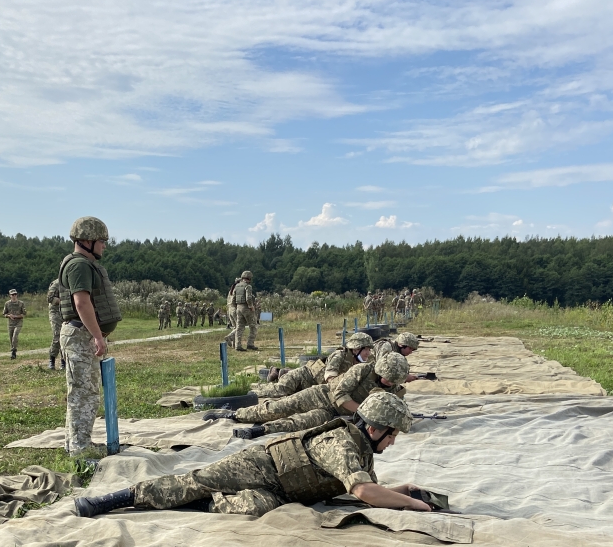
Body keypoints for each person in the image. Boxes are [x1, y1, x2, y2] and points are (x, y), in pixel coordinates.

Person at [73, 392, 446, 518]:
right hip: (261, 463)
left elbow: (362, 489)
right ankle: (114, 500)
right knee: (194, 482)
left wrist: (404, 490)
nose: (393, 442)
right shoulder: (343, 443)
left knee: (252, 508)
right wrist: (414, 506)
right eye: (393, 434)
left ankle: (187, 506)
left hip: (282, 490)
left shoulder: (362, 453)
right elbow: (363, 493)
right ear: (375, 427)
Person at [209, 352, 410, 439]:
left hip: (333, 415)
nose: (389, 384)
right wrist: (363, 412)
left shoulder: (394, 390)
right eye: (387, 379)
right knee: (278, 407)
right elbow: (340, 393)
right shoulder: (362, 371)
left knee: (297, 424)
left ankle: (260, 431)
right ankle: (234, 415)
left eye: (394, 381)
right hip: (322, 396)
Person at [58, 216, 122, 456]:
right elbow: (82, 303)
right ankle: (79, 447)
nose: (105, 245)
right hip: (80, 335)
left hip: (82, 334)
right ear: (86, 240)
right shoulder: (79, 265)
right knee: (83, 394)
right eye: (101, 241)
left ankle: (76, 443)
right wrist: (97, 336)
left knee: (84, 393)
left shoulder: (84, 264)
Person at [233, 270, 258, 350]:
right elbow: (248, 298)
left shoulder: (237, 286)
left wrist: (236, 306)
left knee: (239, 327)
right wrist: (251, 306)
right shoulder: (248, 286)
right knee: (253, 326)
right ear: (249, 278)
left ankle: (238, 345)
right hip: (246, 308)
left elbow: (233, 298)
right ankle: (250, 344)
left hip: (238, 307)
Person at [3, 289, 26, 360]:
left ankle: (13, 351)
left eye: (15, 294)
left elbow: (24, 314)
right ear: (10, 295)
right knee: (11, 338)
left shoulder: (21, 303)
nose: (14, 296)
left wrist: (16, 316)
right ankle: (13, 352)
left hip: (18, 322)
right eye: (12, 295)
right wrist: (9, 316)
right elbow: (4, 313)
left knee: (15, 336)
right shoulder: (7, 303)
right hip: (10, 323)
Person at [47, 279, 64, 369]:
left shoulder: (71, 282)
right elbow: (50, 298)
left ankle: (63, 361)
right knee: (58, 335)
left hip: (66, 312)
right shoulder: (57, 283)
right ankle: (52, 359)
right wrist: (63, 301)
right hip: (56, 312)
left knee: (66, 336)